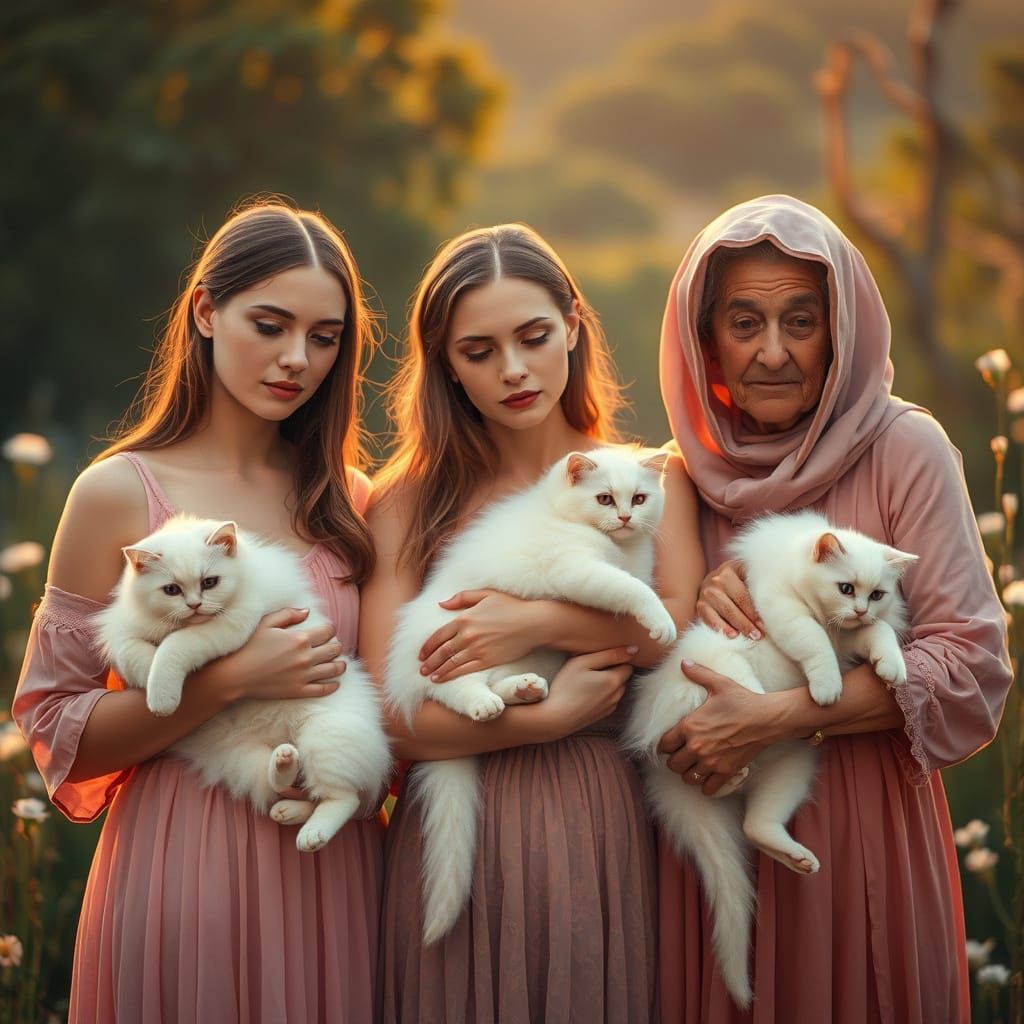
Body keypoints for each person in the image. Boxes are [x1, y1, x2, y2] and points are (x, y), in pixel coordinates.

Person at [13, 201, 384, 1022]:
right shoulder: (117, 493)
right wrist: (225, 680)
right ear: (206, 311)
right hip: (183, 867)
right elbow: (55, 726)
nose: (297, 359)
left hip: (334, 874)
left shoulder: (352, 501)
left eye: (325, 337)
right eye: (270, 325)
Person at [655, 194, 1012, 1023]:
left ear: (841, 330)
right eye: (744, 323)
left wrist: (775, 717)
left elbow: (972, 664)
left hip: (863, 837)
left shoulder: (905, 448)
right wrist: (693, 604)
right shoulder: (674, 475)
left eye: (801, 321)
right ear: (705, 339)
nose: (773, 352)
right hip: (710, 850)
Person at [359, 223, 705, 1022]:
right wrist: (544, 720)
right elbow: (387, 715)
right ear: (445, 362)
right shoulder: (407, 500)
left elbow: (674, 634)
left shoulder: (649, 479)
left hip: (600, 826)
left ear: (573, 326)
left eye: (534, 337)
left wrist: (528, 623)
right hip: (452, 825)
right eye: (478, 351)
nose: (513, 370)